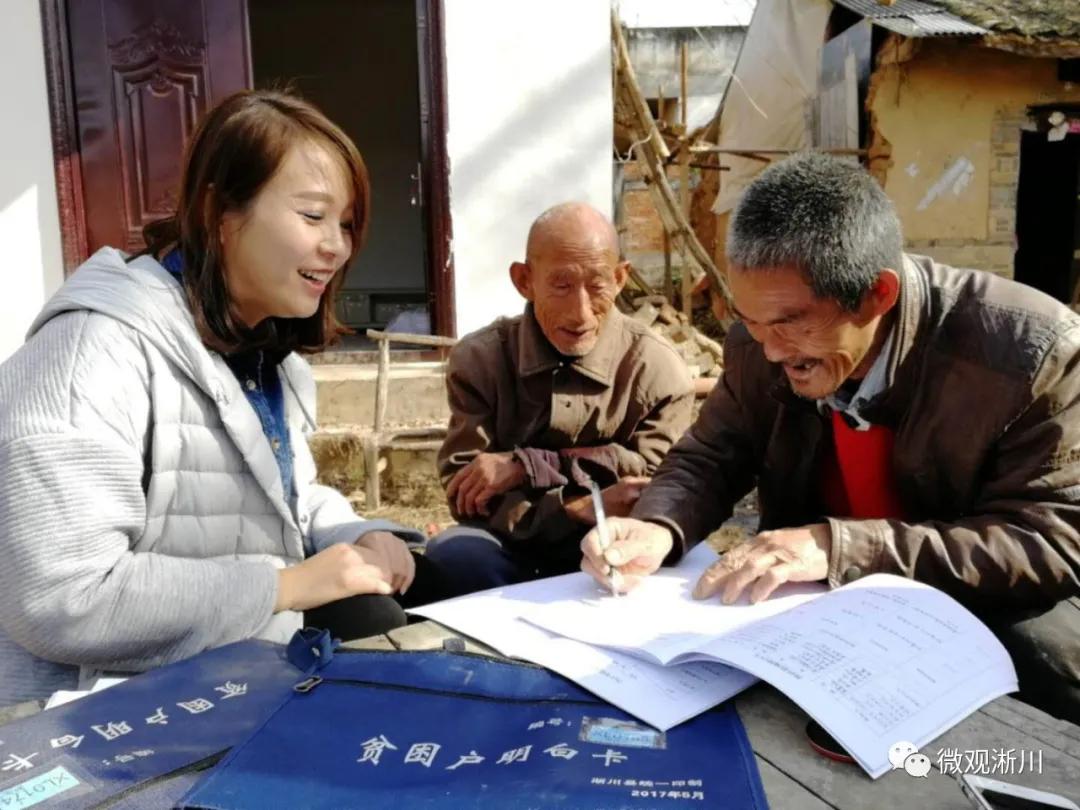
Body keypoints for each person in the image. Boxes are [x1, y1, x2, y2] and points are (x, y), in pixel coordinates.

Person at [580, 153, 1080, 722]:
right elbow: (714, 451)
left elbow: (1052, 541)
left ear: (877, 295)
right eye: (751, 321)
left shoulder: (1031, 354)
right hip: (817, 604)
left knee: (1047, 659)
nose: (770, 350)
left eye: (792, 323)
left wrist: (837, 546)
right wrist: (657, 525)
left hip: (964, 601)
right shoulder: (762, 342)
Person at [0, 90, 447, 707]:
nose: (338, 246)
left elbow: (290, 497)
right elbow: (62, 597)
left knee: (453, 578)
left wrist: (360, 533)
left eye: (345, 224)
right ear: (220, 212)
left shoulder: (266, 354)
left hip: (239, 677)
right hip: (102, 724)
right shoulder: (90, 354)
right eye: (313, 216)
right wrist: (286, 585)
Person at [426, 202, 694, 595]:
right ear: (524, 281)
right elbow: (468, 494)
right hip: (513, 542)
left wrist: (527, 466)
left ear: (621, 278)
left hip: (620, 542)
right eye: (562, 285)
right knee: (455, 556)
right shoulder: (480, 360)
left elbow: (654, 489)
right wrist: (576, 509)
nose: (580, 312)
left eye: (598, 285)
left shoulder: (657, 371)